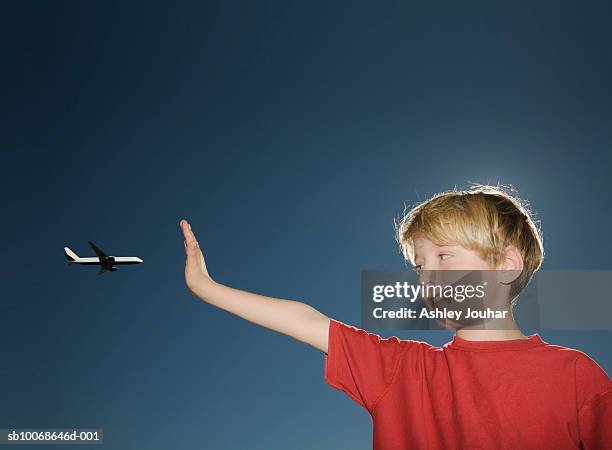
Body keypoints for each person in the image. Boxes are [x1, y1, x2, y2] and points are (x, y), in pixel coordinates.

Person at [179, 184, 611, 450]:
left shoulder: (575, 375)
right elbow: (309, 322)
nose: (428, 277)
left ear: (507, 265)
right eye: (421, 265)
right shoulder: (402, 369)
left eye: (444, 256)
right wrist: (208, 288)